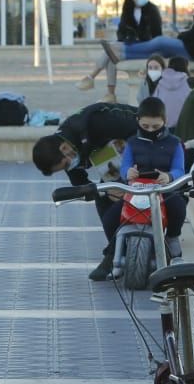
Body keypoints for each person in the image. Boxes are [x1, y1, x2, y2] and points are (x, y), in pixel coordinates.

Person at [31, 100, 140, 281]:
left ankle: (121, 251)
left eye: (65, 165)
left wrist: (124, 177)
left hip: (141, 141)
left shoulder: (94, 123)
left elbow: (139, 128)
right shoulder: (66, 149)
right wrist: (105, 191)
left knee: (118, 195)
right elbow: (81, 184)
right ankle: (115, 252)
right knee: (102, 195)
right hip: (117, 161)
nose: (69, 167)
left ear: (64, 149)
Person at [78, 0, 188, 97]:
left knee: (110, 52)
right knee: (111, 56)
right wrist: (127, 36)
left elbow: (157, 36)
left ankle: (93, 78)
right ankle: (109, 93)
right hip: (130, 44)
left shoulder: (152, 10)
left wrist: (141, 36)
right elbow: (120, 31)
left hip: (146, 48)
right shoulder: (127, 10)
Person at [120, 96, 187, 261]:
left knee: (178, 207)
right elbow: (124, 167)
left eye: (156, 126)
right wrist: (128, 173)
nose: (150, 130)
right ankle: (114, 253)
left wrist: (169, 176)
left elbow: (180, 169)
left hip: (164, 189)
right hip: (137, 190)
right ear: (138, 121)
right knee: (112, 216)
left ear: (165, 121)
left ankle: (172, 237)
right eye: (145, 126)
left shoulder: (174, 143)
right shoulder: (132, 143)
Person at [151, 55, 192, 128]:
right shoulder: (189, 83)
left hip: (163, 125)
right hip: (184, 126)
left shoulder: (160, 82)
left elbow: (154, 103)